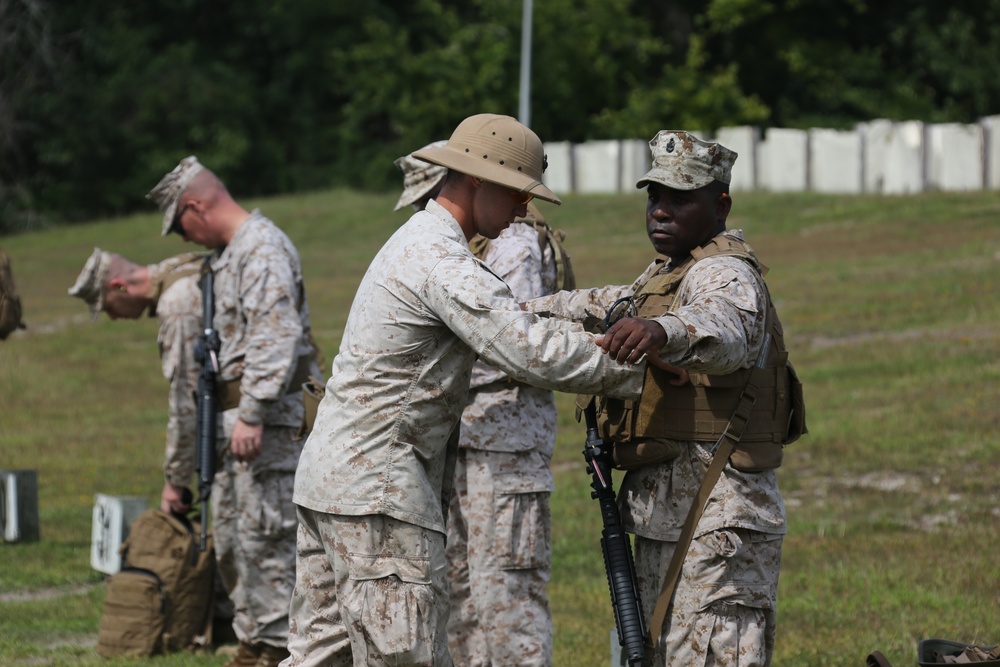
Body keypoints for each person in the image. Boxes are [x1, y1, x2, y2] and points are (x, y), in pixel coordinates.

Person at [284, 113, 664, 667]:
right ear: (477, 182)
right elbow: (527, 349)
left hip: (333, 483)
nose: (522, 211)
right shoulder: (444, 262)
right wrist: (642, 373)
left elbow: (513, 318)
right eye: (516, 194)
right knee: (404, 657)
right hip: (378, 494)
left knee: (319, 658)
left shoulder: (415, 243)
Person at [521, 131, 796, 666]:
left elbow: (725, 329)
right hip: (666, 512)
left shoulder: (725, 273)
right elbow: (595, 303)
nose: (661, 211)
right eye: (655, 197)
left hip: (719, 520)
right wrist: (506, 312)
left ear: (721, 204)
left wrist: (664, 332)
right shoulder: (667, 273)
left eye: (680, 198)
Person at [147, 156, 322, 667]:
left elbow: (277, 332)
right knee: (238, 537)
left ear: (196, 207)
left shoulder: (260, 247)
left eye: (180, 225)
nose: (183, 239)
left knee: (268, 536)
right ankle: (256, 640)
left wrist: (253, 411)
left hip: (265, 422)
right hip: (241, 420)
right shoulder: (234, 253)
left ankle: (279, 648)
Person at [395, 143, 560, 665]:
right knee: (459, 595)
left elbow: (515, 346)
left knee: (506, 600)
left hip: (504, 446)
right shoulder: (464, 247)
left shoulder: (514, 243)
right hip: (462, 440)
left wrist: (425, 369)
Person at [68, 248, 207, 515]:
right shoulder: (179, 266)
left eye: (108, 306)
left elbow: (186, 399)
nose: (113, 317)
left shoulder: (176, 304)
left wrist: (175, 482)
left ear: (119, 286)